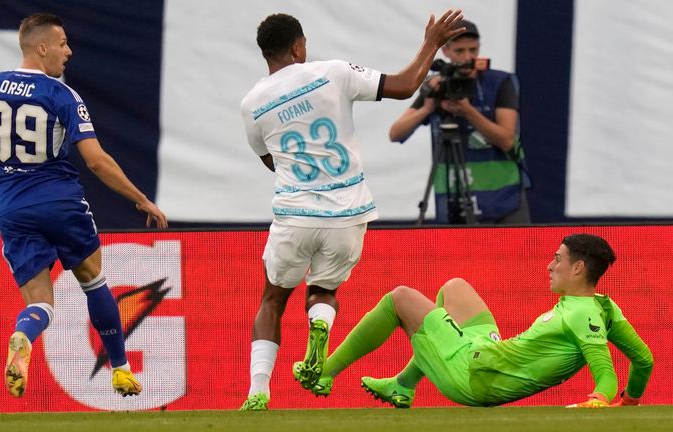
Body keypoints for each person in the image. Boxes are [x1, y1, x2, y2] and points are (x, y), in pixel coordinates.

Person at [0, 13, 167, 398]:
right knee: (93, 279)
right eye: (63, 43)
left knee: (40, 303)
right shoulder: (61, 95)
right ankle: (120, 370)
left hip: (12, 210)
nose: (69, 51)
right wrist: (141, 199)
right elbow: (97, 161)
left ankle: (23, 333)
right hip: (60, 203)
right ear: (42, 47)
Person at [238, 10, 466, 411]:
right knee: (324, 290)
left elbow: (270, 160)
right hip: (348, 212)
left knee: (272, 300)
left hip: (295, 214)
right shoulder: (333, 72)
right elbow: (405, 85)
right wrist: (431, 43)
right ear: (297, 46)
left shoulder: (252, 103)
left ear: (265, 53)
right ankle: (320, 325)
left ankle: (258, 391)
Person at [298, 234, 653, 408]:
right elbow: (644, 359)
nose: (550, 265)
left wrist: (601, 399)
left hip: (473, 377)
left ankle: (325, 373)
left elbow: (604, 372)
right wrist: (631, 401)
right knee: (454, 288)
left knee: (400, 298)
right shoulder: (605, 308)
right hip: (489, 353)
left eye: (557, 259)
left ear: (578, 267)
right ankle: (404, 384)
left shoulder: (581, 314)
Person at [389, 20, 531, 225]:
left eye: (473, 50)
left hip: (503, 198)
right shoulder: (439, 85)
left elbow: (507, 140)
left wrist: (468, 112)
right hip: (455, 199)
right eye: (460, 51)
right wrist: (428, 108)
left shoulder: (500, 82)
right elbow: (396, 133)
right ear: (446, 51)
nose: (467, 57)